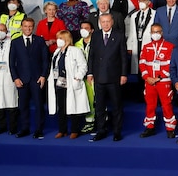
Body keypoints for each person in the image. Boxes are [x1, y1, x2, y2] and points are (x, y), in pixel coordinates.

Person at [86, 13, 129, 142]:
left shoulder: (119, 35)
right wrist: (90, 73)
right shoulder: (96, 35)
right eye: (103, 22)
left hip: (114, 77)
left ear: (112, 22)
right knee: (99, 107)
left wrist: (123, 74)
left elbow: (123, 57)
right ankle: (101, 130)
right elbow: (91, 56)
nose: (105, 24)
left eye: (107, 21)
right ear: (100, 22)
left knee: (116, 106)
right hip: (99, 77)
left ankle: (117, 131)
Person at [9, 17, 49, 139]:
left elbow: (45, 60)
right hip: (22, 79)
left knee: (39, 106)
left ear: (33, 27)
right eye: (25, 26)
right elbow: (11, 62)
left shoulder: (40, 41)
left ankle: (39, 130)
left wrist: (43, 76)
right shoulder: (15, 42)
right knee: (23, 106)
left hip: (37, 79)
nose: (28, 28)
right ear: (21, 27)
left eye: (30, 26)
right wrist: (15, 78)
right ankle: (24, 128)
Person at [46, 30, 89, 139]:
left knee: (72, 106)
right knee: (61, 107)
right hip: (59, 83)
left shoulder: (75, 50)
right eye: (57, 38)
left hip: (71, 83)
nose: (58, 41)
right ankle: (62, 130)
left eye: (60, 38)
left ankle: (74, 130)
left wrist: (77, 77)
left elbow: (83, 66)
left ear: (66, 39)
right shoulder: (57, 52)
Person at [138, 23, 176, 138]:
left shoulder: (170, 47)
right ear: (150, 33)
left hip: (163, 81)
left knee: (167, 105)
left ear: (162, 33)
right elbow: (142, 63)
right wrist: (147, 77)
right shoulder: (146, 46)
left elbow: (170, 65)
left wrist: (158, 78)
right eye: (153, 32)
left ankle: (170, 128)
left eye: (158, 32)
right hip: (149, 82)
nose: (155, 34)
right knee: (150, 105)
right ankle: (150, 127)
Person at [126, 0, 156, 76]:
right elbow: (131, 32)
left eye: (144, 0)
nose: (141, 2)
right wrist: (129, 46)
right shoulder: (134, 15)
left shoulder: (155, 14)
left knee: (147, 67)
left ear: (149, 2)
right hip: (136, 44)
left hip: (148, 43)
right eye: (139, 1)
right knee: (137, 67)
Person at [74, 21, 96, 134]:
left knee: (97, 99)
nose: (84, 30)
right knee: (87, 99)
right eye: (82, 28)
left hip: (95, 76)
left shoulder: (97, 43)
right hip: (83, 77)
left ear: (92, 30)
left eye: (86, 28)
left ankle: (101, 120)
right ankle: (89, 121)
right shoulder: (77, 44)